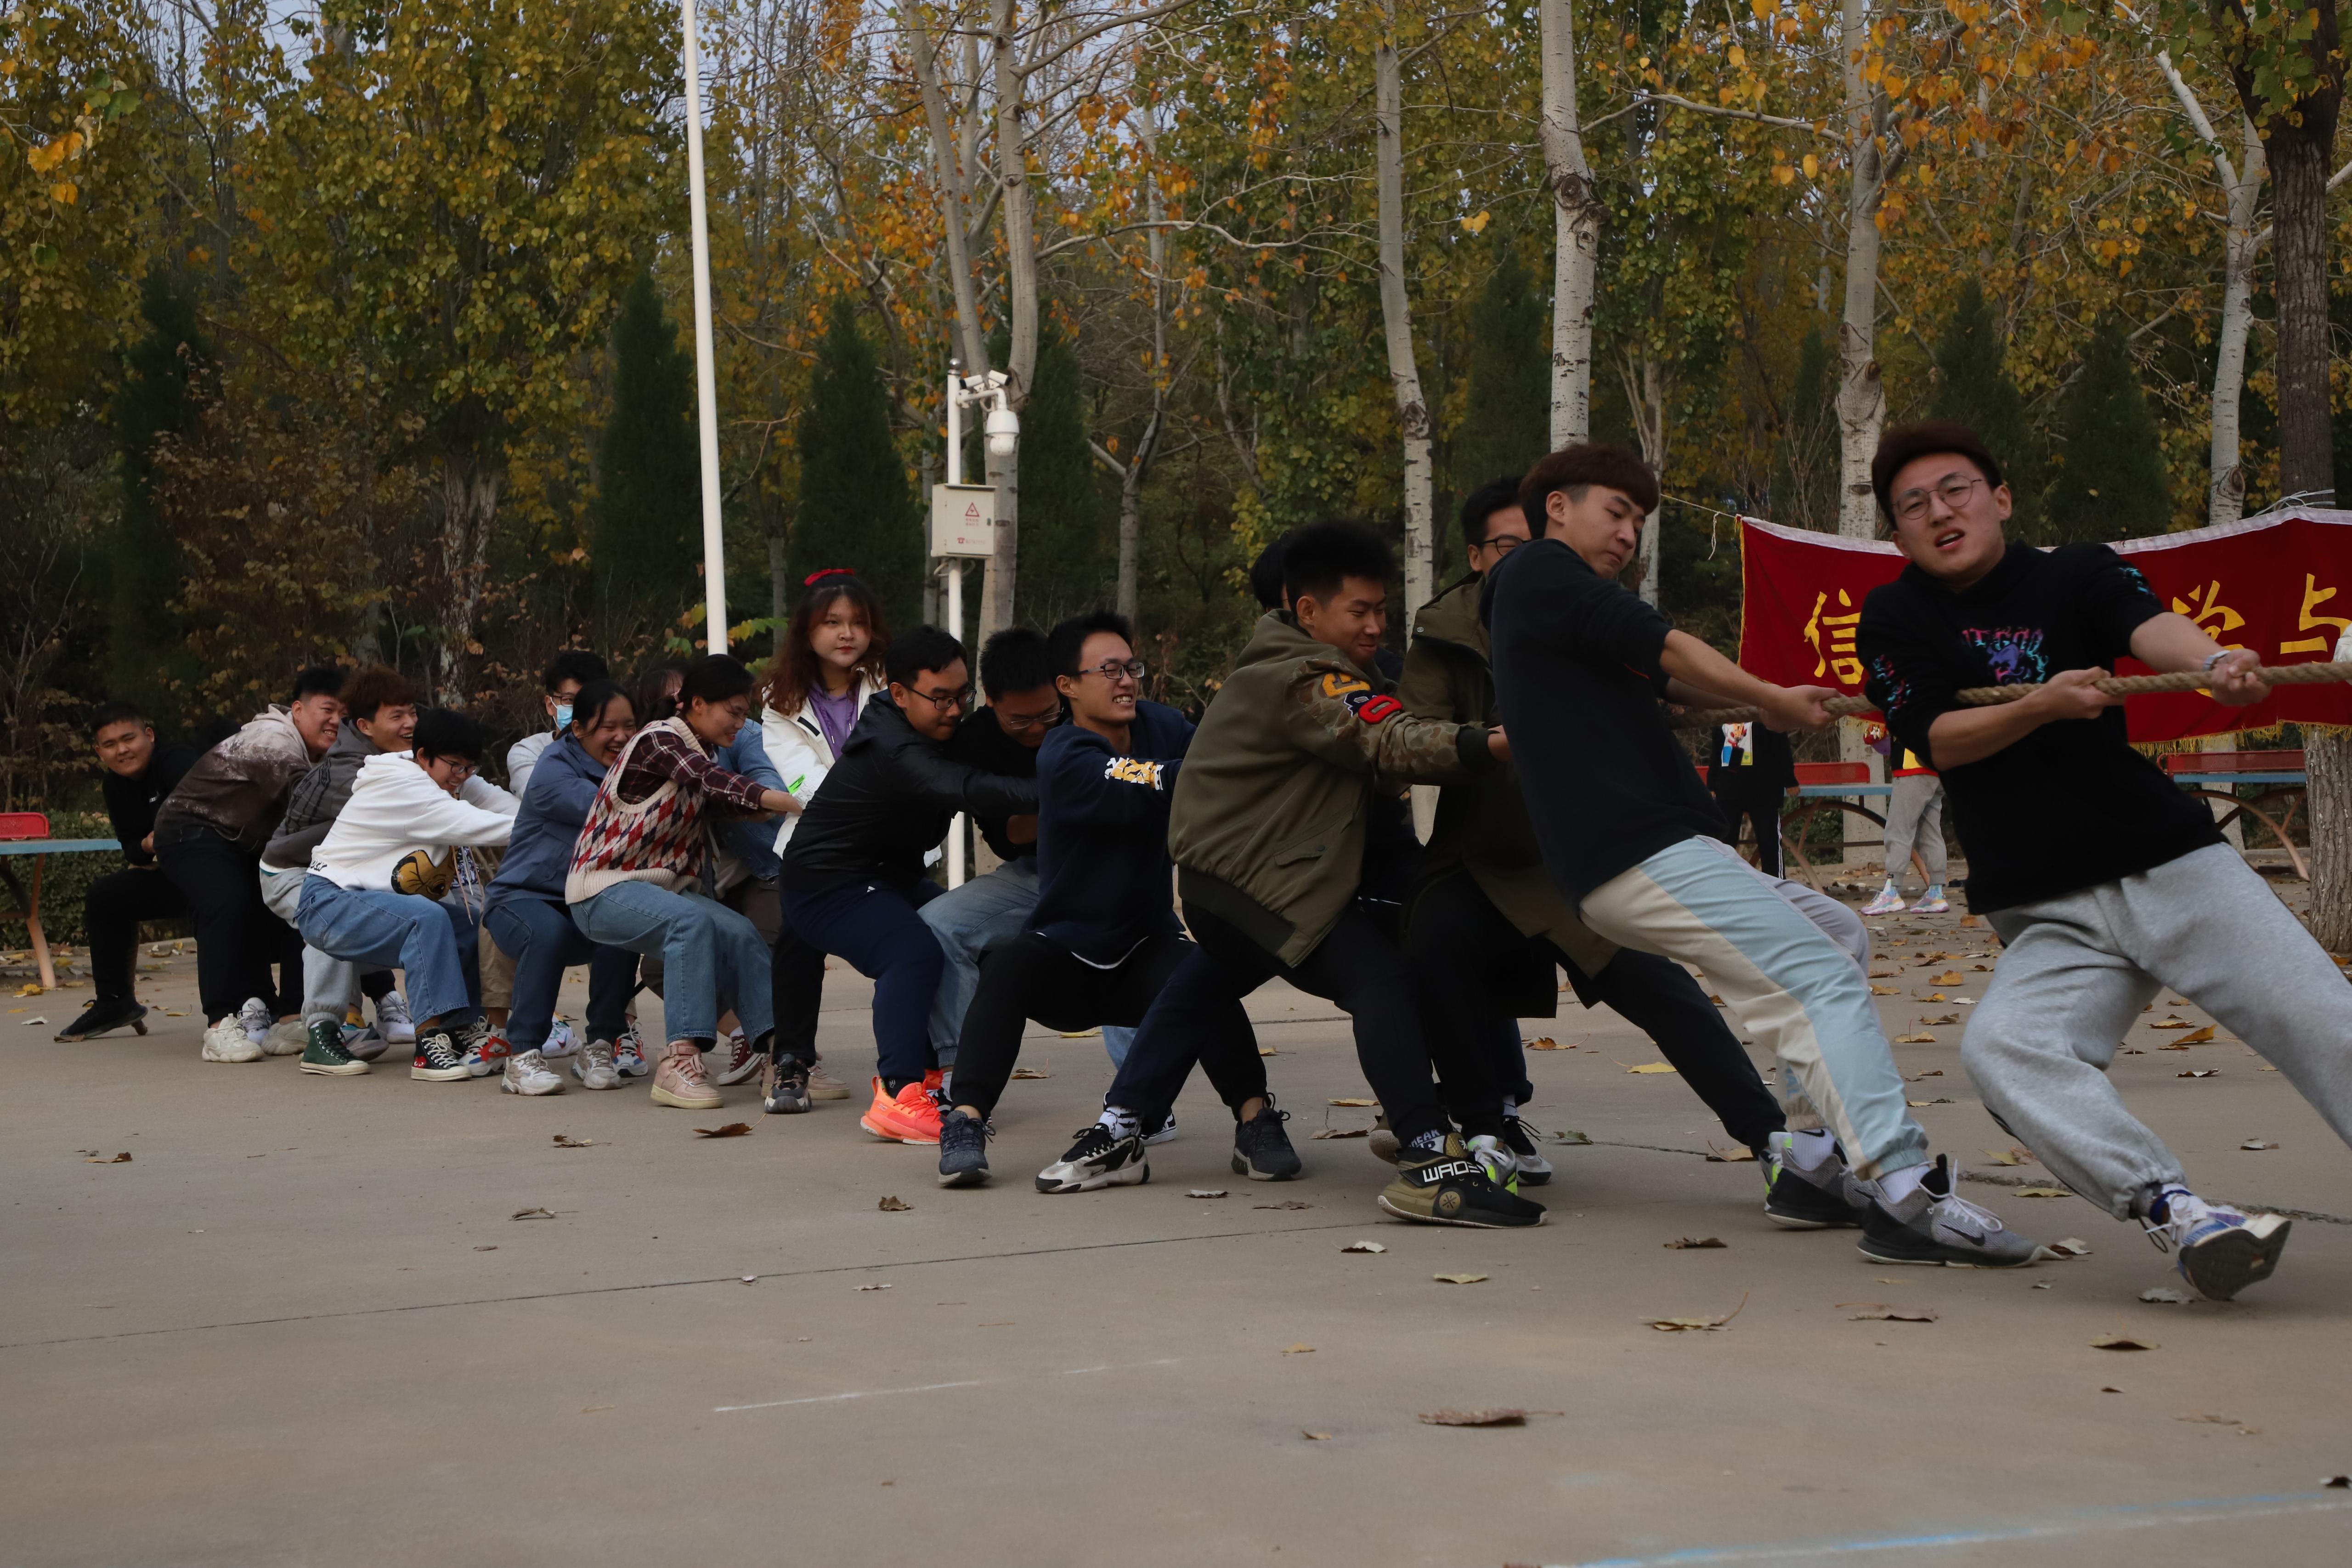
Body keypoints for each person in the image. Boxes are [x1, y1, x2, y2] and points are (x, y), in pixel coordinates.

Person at [1481, 442, 2038, 1266]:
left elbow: (1669, 683)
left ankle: (1809, 1164)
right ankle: (1903, 1189)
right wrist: (1770, 695)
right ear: (1558, 507)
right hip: (1635, 850)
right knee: (1815, 978)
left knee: (1837, 936)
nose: (1629, 533)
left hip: (1654, 850)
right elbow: (1667, 646)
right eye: (1618, 512)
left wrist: (1765, 704)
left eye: (1640, 521)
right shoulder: (1539, 569)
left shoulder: (1559, 609)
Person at [1858, 420, 2350, 1300]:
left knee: (2329, 1025)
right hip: (2048, 909)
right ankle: (2178, 1211)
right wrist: (2038, 706)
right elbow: (1935, 734)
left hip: (2170, 865)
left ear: (2000, 497)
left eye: (1955, 489)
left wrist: (2212, 662)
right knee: (2006, 1049)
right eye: (1913, 505)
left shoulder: (2076, 571)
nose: (1939, 512)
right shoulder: (1896, 615)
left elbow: (2149, 627)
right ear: (1898, 535)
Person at [1039, 522, 1543, 1228]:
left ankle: (1119, 1128)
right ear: (1307, 610)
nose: (1375, 626)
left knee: (1205, 982)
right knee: (1384, 978)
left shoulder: (1304, 666)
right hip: (1261, 884)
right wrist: (1495, 741)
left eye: (1381, 610)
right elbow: (1389, 738)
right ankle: (1432, 1155)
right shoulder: (1308, 676)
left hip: (1232, 886)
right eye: (1358, 611)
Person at [1400, 480, 1795, 1196]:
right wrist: (1495, 741)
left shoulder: (1580, 604)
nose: (1526, 559)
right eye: (1508, 546)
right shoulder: (1442, 635)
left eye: (1535, 546)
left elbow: (1666, 677)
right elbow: (1415, 738)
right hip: (1483, 854)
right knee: (1434, 937)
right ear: (1476, 555)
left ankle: (1774, 1141)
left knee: (1662, 989)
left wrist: (1765, 696)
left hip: (1579, 851)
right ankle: (1485, 1133)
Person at [938, 612, 1257, 1187]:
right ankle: (965, 1120)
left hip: (1145, 946)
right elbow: (1168, 778)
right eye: (1108, 670)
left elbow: (1221, 759)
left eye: (1131, 667)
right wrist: (1220, 770)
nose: (1125, 680)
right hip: (1067, 952)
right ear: (1067, 684)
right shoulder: (1062, 753)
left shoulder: (1164, 726)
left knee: (1202, 974)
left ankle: (1257, 1121)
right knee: (1006, 966)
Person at [774, 627, 1038, 1136]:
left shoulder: (939, 728)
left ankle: (932, 1076)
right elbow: (962, 786)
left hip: (887, 875)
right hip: (825, 884)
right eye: (940, 698)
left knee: (952, 933)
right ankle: (898, 1093)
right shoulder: (892, 746)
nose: (954, 710)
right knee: (911, 950)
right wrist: (1065, 787)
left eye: (962, 695)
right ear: (899, 693)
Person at [566, 655, 796, 1110]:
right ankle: (678, 1062)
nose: (740, 723)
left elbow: (720, 799)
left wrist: (764, 808)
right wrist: (791, 801)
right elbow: (710, 781)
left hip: (657, 891)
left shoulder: (700, 752)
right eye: (733, 711)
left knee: (740, 933)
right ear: (697, 704)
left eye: (744, 713)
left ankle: (782, 1056)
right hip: (601, 890)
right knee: (689, 924)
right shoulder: (660, 739)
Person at [917, 628, 1142, 1080]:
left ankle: (1141, 1090)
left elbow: (1135, 789)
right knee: (936, 924)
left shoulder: (1090, 714)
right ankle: (962, 1074)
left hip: (1109, 868)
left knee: (1124, 949)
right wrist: (1066, 795)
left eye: (1047, 715)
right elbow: (1009, 836)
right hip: (1034, 870)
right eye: (1020, 721)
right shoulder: (974, 740)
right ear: (990, 702)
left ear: (1064, 687)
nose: (1038, 729)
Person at [294, 709, 517, 1079]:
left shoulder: (446, 776)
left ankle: (460, 1028)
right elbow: (473, 824)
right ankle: (428, 1046)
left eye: (469, 768)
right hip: (327, 902)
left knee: (470, 924)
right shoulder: (403, 785)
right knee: (426, 918)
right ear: (424, 755)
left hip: (372, 904)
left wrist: (558, 820)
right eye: (455, 766)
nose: (462, 776)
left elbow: (507, 806)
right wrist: (543, 829)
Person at [153, 665, 345, 1063]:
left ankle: (291, 1018)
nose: (336, 721)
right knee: (226, 902)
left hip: (243, 842)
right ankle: (219, 1024)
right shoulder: (273, 738)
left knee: (302, 897)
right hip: (190, 828)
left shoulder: (320, 753)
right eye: (328, 710)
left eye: (344, 714)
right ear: (298, 709)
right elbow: (309, 800)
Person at [755, 569, 892, 1105]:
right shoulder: (779, 698)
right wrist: (860, 799)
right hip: (817, 840)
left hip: (891, 837)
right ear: (806, 630)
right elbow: (799, 779)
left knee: (916, 940)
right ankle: (791, 1060)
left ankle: (917, 1066)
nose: (846, 633)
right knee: (797, 942)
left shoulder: (892, 683)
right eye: (832, 622)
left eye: (858, 622)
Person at [481, 680, 643, 1095]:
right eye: (608, 727)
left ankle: (601, 1046)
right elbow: (610, 811)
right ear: (579, 729)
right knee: (547, 932)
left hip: (583, 901)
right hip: (522, 898)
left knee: (624, 927)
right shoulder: (553, 767)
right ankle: (522, 1055)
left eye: (629, 726)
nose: (621, 736)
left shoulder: (634, 766)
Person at [259, 665, 420, 1064]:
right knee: (330, 920)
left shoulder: (396, 753)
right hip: (291, 871)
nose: (410, 723)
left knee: (431, 912)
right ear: (365, 725)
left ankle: (441, 1019)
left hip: (347, 871)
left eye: (412, 712)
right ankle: (324, 1030)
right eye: (397, 716)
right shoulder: (350, 771)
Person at [53, 705, 201, 1042]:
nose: (122, 750)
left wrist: (161, 840)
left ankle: (235, 1010)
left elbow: (200, 816)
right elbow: (131, 849)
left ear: (149, 735)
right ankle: (115, 1001)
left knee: (212, 901)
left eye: (128, 739)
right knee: (105, 897)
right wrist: (148, 844)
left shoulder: (176, 760)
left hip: (215, 870)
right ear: (99, 752)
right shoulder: (114, 786)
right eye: (110, 745)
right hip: (172, 874)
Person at [1860, 724, 1949, 915]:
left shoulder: (1904, 706)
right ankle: (1936, 892)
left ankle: (1892, 891)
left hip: (1912, 768)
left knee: (1898, 830)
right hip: (1936, 768)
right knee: (1929, 832)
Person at [507, 650, 611, 802]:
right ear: (550, 705)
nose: (581, 709)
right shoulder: (529, 752)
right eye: (569, 700)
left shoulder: (616, 749)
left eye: (591, 701)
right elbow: (547, 798)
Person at [1708, 718, 1798, 878]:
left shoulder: (1766, 714)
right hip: (1729, 789)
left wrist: (1789, 780)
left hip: (1763, 789)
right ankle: (1720, 881)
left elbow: (1781, 747)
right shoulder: (1722, 717)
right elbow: (1716, 752)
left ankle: (1776, 883)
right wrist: (1712, 785)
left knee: (1769, 841)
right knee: (1724, 841)